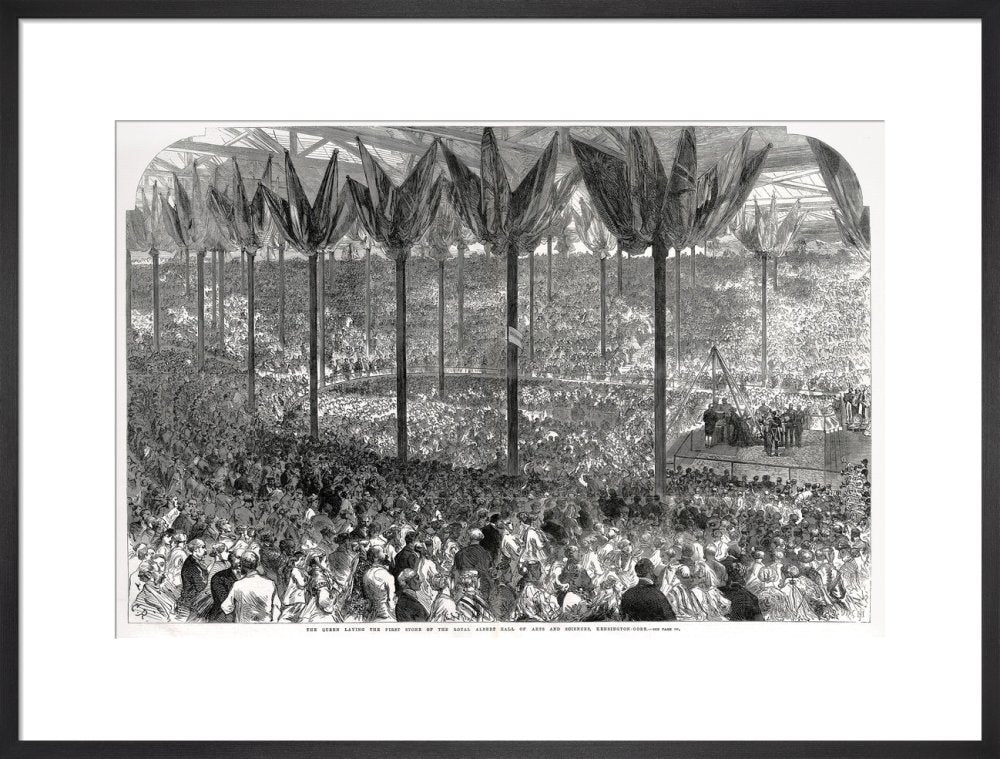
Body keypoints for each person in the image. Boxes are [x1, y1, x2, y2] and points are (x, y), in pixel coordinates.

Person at [220, 552, 281, 623]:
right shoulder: (270, 583)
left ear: (242, 565)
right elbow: (276, 607)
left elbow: (226, 607)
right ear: (257, 564)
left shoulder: (238, 585)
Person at [362, 546, 396, 622]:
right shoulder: (384, 574)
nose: (386, 554)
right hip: (385, 615)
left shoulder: (366, 573)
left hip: (371, 615)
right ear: (376, 557)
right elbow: (391, 601)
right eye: (382, 552)